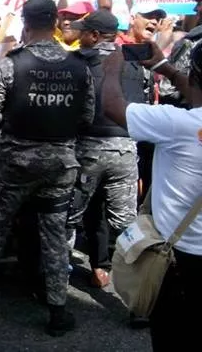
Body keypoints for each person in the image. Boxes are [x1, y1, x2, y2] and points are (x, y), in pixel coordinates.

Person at [0, 0, 94, 336]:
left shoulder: (13, 63)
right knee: (54, 236)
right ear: (55, 22)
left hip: (15, 165)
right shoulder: (78, 65)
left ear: (25, 22)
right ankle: (57, 310)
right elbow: (86, 116)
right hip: (60, 164)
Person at [100, 39, 201, 351]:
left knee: (173, 336)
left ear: (195, 77)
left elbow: (113, 106)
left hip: (181, 260)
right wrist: (164, 68)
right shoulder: (188, 123)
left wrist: (113, 64)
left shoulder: (179, 124)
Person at [65, 11, 140, 288]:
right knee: (126, 226)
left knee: (68, 220)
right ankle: (140, 298)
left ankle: (58, 288)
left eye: (84, 32)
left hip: (88, 149)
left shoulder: (77, 61)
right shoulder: (134, 61)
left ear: (95, 36)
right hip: (126, 150)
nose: (79, 36)